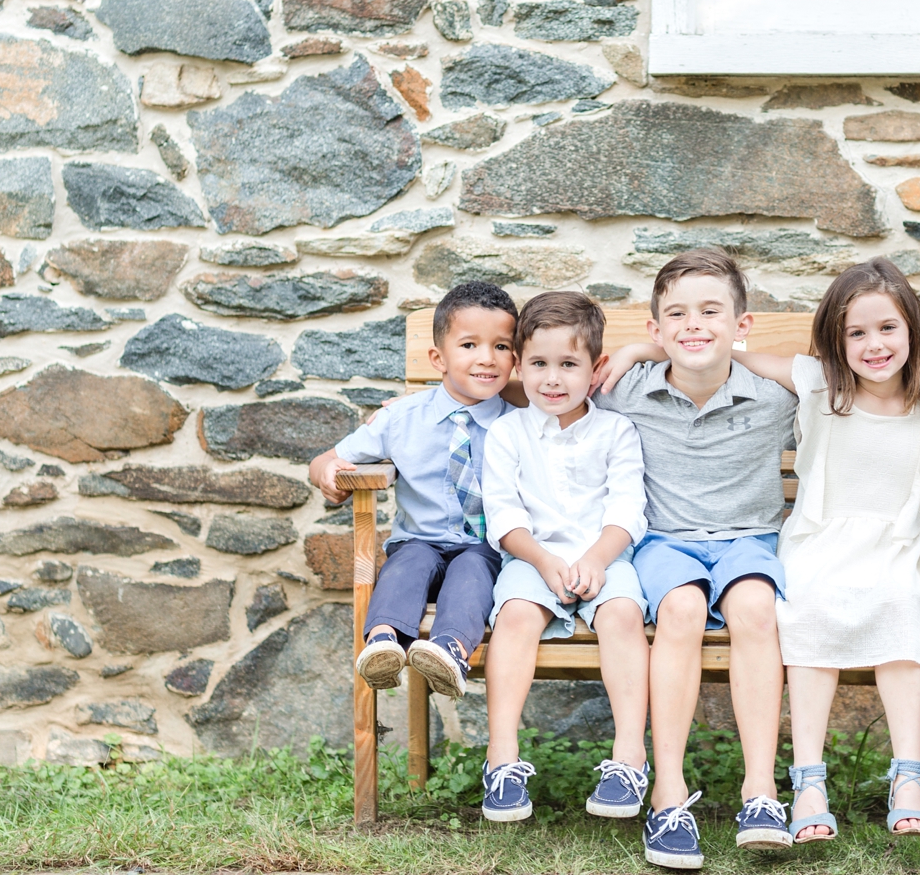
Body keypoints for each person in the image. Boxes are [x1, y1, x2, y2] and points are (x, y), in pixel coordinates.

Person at [726, 258, 920, 842]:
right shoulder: (819, 384)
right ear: (836, 340)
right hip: (821, 543)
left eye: (887, 329)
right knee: (807, 603)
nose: (874, 344)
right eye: (856, 333)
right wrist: (631, 354)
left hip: (898, 543)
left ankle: (908, 775)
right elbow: (728, 353)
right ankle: (808, 779)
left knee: (904, 600)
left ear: (912, 332)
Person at [598, 249, 797, 870]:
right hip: (664, 542)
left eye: (713, 311)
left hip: (750, 542)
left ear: (743, 324)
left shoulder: (775, 398)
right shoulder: (625, 391)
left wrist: (648, 346)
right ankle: (668, 793)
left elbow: (829, 372)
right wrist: (631, 354)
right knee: (681, 609)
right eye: (677, 315)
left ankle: (760, 791)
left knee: (757, 608)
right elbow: (546, 400)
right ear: (656, 329)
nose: (695, 324)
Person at [478, 292, 652, 824]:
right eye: (538, 364)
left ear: (595, 368)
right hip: (532, 560)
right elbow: (503, 515)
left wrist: (598, 559)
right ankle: (502, 758)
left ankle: (629, 758)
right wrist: (546, 563)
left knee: (623, 613)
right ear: (519, 365)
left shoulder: (616, 431)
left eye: (568, 365)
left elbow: (628, 508)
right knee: (514, 616)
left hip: (605, 556)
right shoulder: (506, 433)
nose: (552, 379)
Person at [309, 281, 519, 701]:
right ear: (438, 358)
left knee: (473, 571)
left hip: (485, 546)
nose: (486, 358)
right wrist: (328, 475)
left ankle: (449, 651)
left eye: (501, 346)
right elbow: (325, 458)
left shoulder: (520, 423)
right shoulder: (402, 418)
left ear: (515, 358)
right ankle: (383, 643)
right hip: (419, 540)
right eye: (469, 345)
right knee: (405, 565)